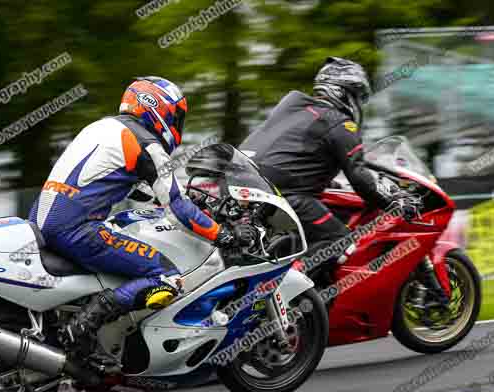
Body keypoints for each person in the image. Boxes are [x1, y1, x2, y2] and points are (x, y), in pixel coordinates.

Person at [29, 76, 255, 356]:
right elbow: (178, 208)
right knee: (167, 276)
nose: (177, 124)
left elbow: (136, 191)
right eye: (177, 116)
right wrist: (224, 234)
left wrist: (190, 201)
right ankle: (86, 324)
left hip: (42, 219)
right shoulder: (145, 142)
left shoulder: (103, 128)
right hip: (75, 229)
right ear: (159, 109)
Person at [240, 57, 413, 271]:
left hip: (242, 185)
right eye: (358, 96)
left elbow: (294, 155)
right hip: (283, 195)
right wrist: (392, 203)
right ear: (343, 92)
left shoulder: (294, 107)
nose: (358, 103)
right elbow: (359, 177)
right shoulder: (339, 122)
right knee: (339, 241)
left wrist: (332, 184)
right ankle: (287, 290)